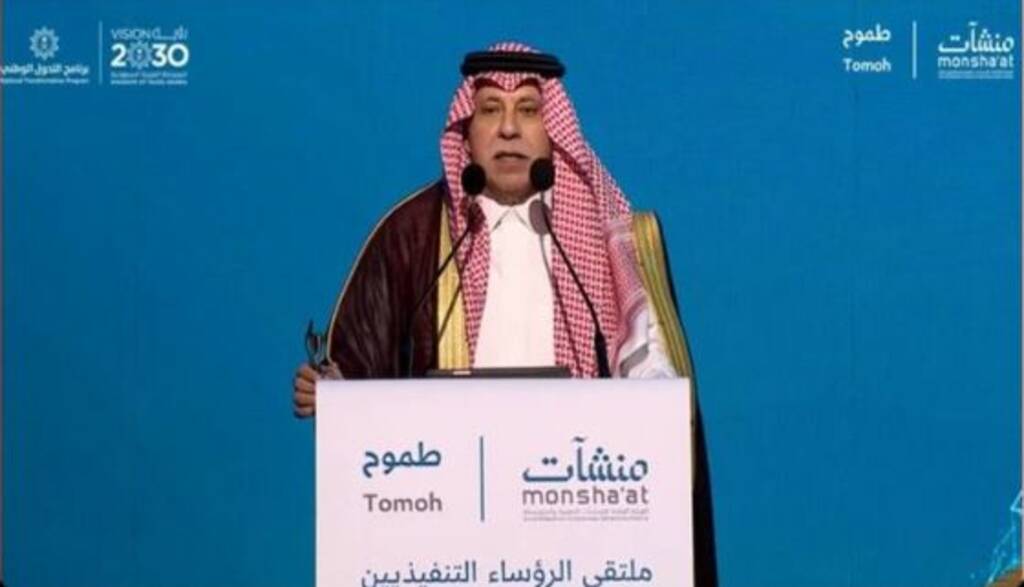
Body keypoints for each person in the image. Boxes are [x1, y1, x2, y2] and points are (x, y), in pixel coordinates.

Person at [292, 42, 718, 586]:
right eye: (491, 109)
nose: (509, 129)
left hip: (580, 533)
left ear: (553, 130)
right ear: (466, 133)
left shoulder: (615, 241)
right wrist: (331, 392)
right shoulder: (413, 235)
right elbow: (358, 367)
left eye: (529, 110)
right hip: (453, 539)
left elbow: (660, 391)